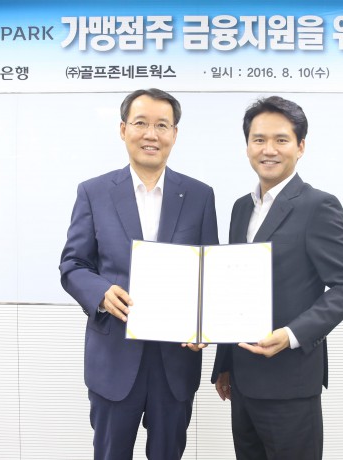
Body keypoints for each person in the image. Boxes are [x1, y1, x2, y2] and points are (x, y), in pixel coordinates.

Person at [60, 88, 219, 460]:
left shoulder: (199, 196)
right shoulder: (94, 192)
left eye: (162, 125)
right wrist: (100, 293)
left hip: (175, 362)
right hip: (114, 359)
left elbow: (209, 274)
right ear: (123, 129)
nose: (151, 134)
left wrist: (206, 325)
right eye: (141, 123)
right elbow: (73, 265)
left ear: (174, 134)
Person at [211, 96, 343, 460]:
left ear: (300, 147)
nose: (269, 149)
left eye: (281, 140)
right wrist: (225, 364)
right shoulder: (241, 208)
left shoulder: (318, 206)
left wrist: (292, 334)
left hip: (290, 383)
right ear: (247, 146)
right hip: (243, 381)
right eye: (259, 139)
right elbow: (234, 288)